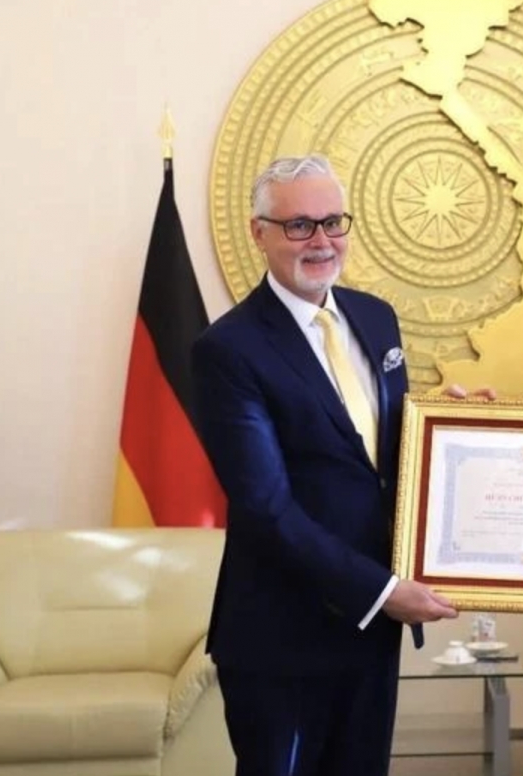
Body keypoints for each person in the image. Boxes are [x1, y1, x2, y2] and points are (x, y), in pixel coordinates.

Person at [192, 154, 476, 776]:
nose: (321, 241)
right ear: (258, 232)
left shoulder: (375, 317)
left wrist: (448, 428)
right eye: (298, 226)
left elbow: (368, 447)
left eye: (332, 222)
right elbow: (266, 508)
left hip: (371, 629)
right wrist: (381, 592)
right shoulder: (227, 350)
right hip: (283, 635)